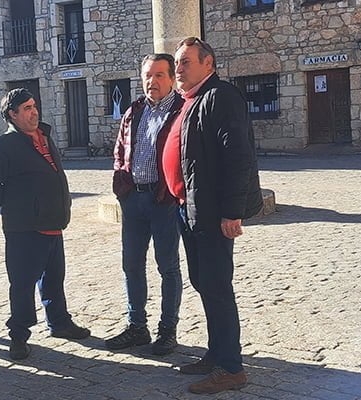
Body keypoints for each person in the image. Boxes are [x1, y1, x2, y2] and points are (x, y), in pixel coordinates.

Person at [163, 37, 263, 394]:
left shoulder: (221, 97)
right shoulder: (192, 99)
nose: (178, 68)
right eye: (177, 62)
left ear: (208, 63)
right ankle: (217, 352)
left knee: (217, 287)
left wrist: (232, 212)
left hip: (212, 212)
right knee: (204, 282)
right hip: (190, 208)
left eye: (186, 61)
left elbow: (238, 157)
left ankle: (231, 368)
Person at [0, 88, 90, 361]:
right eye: (27, 108)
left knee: (54, 278)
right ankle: (18, 335)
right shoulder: (4, 146)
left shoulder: (44, 135)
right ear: (12, 114)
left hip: (53, 222)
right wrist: (16, 205)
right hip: (24, 228)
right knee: (22, 283)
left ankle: (59, 322)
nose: (34, 112)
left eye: (34, 106)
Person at [105, 54, 184, 355]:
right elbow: (120, 150)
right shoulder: (135, 110)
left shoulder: (181, 111)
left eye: (160, 75)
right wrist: (121, 186)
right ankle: (137, 327)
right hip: (133, 199)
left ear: (172, 78)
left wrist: (177, 192)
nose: (153, 81)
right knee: (132, 265)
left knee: (168, 267)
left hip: (163, 200)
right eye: (148, 75)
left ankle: (167, 331)